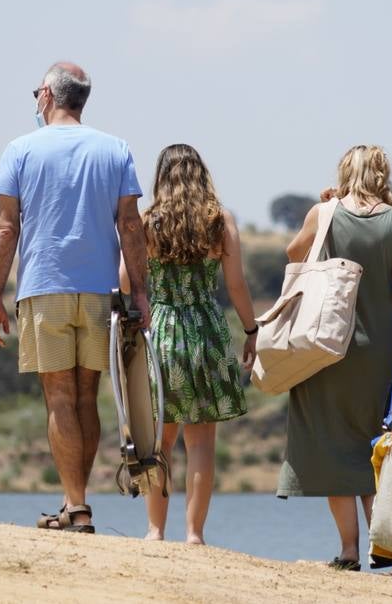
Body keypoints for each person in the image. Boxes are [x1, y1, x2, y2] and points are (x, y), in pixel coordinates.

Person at [0, 62, 151, 534]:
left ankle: (76, 505)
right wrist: (139, 290)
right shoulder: (115, 148)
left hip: (44, 286)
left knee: (59, 397)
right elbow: (131, 225)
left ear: (49, 97)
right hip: (100, 291)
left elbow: (5, 227)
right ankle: (72, 501)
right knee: (87, 396)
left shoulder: (20, 149)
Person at [277, 145, 392, 571]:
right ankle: (384, 545)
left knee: (330, 443)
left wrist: (324, 211)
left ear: (344, 172)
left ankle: (347, 551)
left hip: (326, 344)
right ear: (383, 175)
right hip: (375, 347)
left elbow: (292, 254)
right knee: (369, 443)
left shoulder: (323, 212)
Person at [118, 144, 257, 546]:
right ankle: (194, 534)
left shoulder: (149, 221)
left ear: (161, 177)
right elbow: (236, 285)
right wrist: (251, 331)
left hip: (160, 329)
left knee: (157, 438)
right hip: (206, 331)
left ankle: (155, 530)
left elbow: (125, 281)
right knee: (201, 441)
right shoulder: (220, 220)